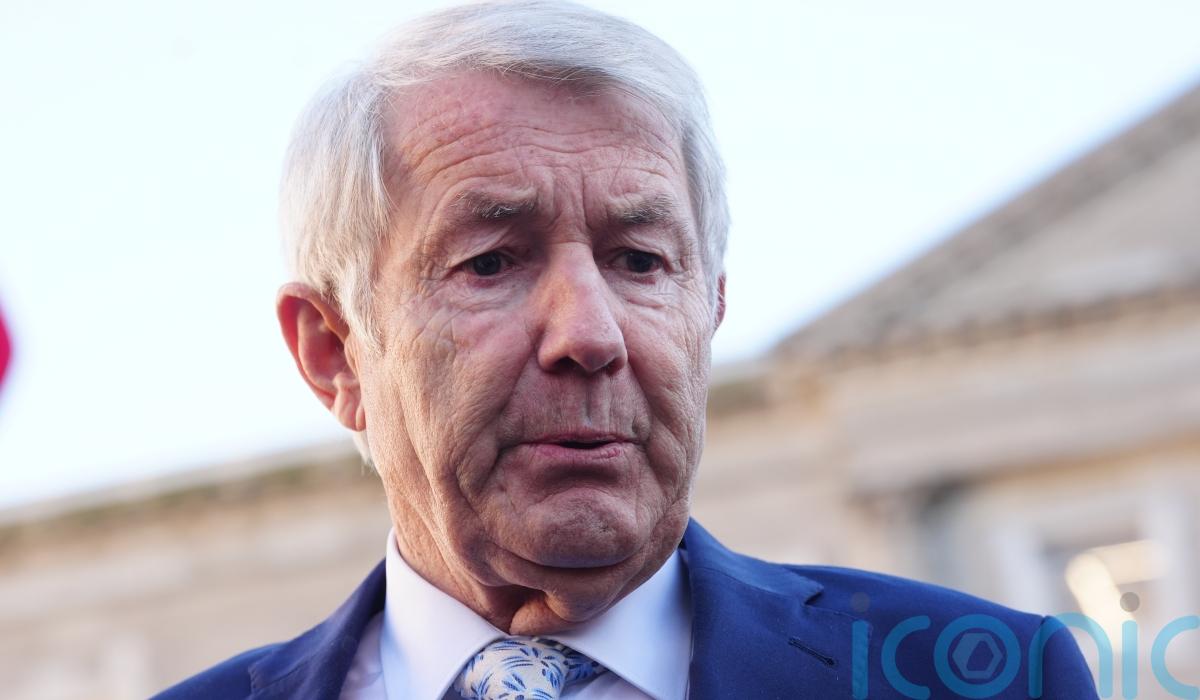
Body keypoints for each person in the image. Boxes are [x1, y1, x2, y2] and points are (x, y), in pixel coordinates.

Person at [155, 1, 1098, 698]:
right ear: (334, 352)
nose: (590, 334)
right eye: (491, 262)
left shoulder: (990, 680)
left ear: (710, 309)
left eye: (641, 261)